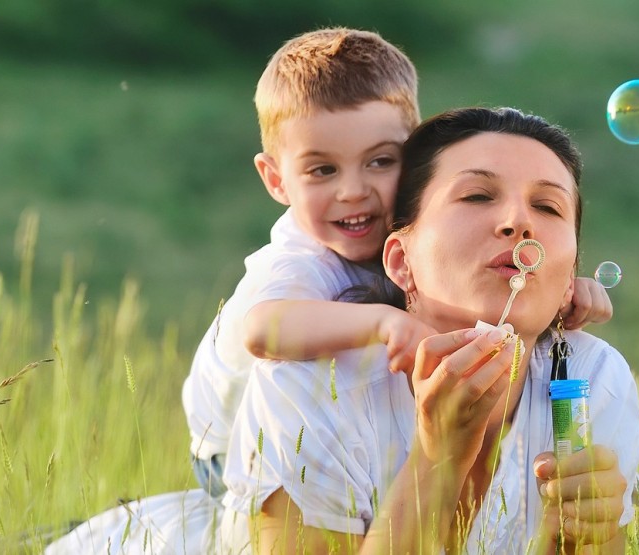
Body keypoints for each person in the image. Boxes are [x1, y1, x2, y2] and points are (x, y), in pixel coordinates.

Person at [47, 107, 639, 554]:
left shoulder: (589, 379)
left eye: (549, 208)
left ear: (570, 277)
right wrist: (436, 458)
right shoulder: (313, 378)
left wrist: (580, 538)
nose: (517, 221)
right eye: (478, 195)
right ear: (400, 261)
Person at [181, 28, 613, 501]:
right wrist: (385, 322)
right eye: (323, 170)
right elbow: (262, 331)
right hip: (227, 453)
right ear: (277, 180)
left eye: (380, 162)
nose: (353, 190)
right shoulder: (297, 259)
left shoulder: (405, 233)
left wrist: (564, 288)